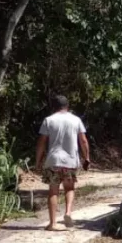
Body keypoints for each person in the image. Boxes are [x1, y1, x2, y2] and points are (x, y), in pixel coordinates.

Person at [35, 95, 90, 231]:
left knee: (53, 191)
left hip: (53, 160)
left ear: (54, 107)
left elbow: (41, 143)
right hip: (70, 161)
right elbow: (83, 141)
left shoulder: (49, 120)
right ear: (67, 106)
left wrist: (38, 161)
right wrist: (87, 157)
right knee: (69, 188)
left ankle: (53, 223)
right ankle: (68, 213)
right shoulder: (76, 120)